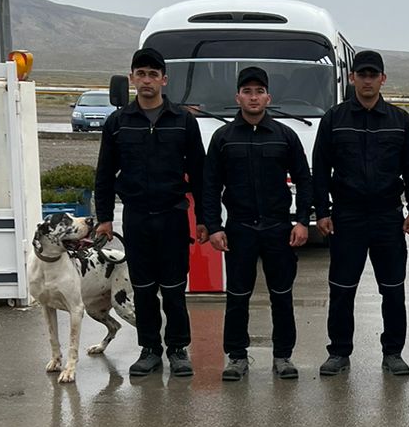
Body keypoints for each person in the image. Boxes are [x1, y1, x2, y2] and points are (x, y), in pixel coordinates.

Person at [94, 47, 207, 377]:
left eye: (153, 75)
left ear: (164, 80)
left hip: (173, 216)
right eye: (141, 74)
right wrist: (104, 218)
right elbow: (105, 174)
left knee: (174, 289)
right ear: (132, 78)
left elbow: (200, 174)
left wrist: (205, 220)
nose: (147, 80)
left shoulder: (183, 121)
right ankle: (150, 349)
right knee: (143, 290)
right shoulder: (118, 123)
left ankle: (178, 349)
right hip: (137, 217)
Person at [311, 49, 409, 376]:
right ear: (352, 78)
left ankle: (393, 353)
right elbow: (320, 168)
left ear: (383, 79)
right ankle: (339, 352)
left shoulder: (400, 122)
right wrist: (322, 211)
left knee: (393, 289)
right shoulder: (334, 119)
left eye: (373, 75)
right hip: (347, 217)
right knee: (342, 289)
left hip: (388, 216)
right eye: (362, 74)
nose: (368, 80)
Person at [199, 66, 312, 381]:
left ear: (268, 97)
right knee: (237, 296)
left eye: (259, 92)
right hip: (240, 229)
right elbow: (210, 186)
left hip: (278, 228)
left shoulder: (284, 136)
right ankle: (237, 357)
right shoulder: (223, 138)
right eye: (247, 92)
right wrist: (214, 226)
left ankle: (283, 356)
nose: (253, 97)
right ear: (238, 97)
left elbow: (304, 180)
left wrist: (303, 220)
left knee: (281, 295)